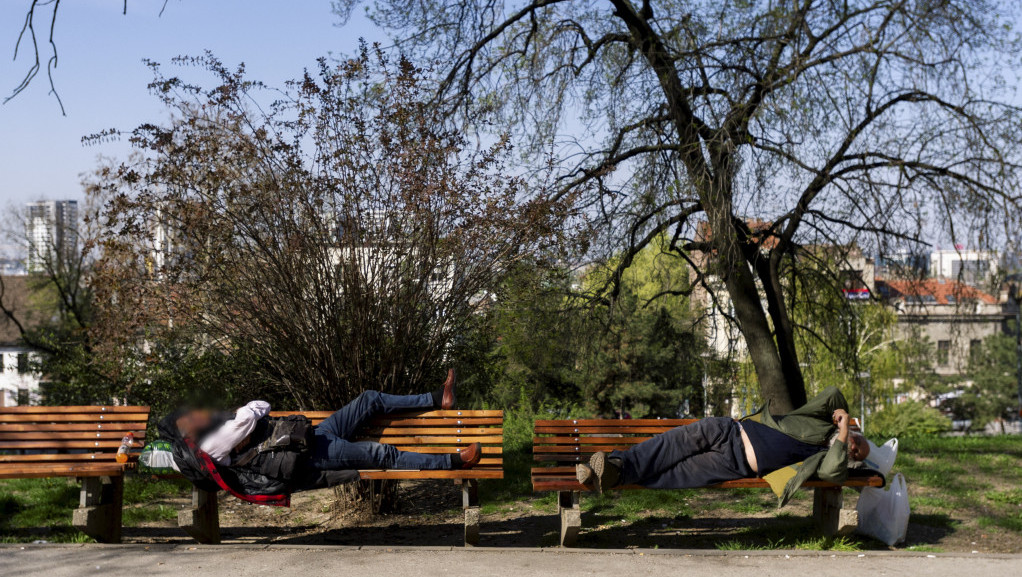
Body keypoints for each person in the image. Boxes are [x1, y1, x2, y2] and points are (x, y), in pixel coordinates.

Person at [159, 369, 482, 497]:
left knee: (369, 399)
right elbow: (257, 407)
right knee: (382, 454)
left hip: (311, 437)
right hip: (310, 455)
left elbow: (249, 420)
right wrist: (243, 414)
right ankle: (454, 462)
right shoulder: (210, 443)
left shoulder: (209, 436)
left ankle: (436, 399)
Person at [576, 386, 871, 505]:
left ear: (850, 457)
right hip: (727, 430)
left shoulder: (824, 459)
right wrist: (842, 421)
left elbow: (835, 472)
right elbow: (832, 393)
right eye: (859, 439)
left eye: (856, 451)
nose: (855, 444)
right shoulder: (819, 423)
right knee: (666, 447)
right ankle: (615, 467)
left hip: (733, 464)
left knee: (674, 474)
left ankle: (605, 473)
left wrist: (844, 436)